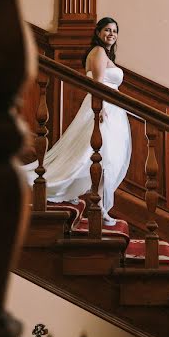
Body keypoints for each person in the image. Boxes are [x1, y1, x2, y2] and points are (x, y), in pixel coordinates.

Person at [21, 17, 132, 226]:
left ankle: (93, 203)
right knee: (102, 158)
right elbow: (98, 85)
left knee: (96, 157)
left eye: (115, 31)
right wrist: (99, 111)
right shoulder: (98, 52)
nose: (111, 34)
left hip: (110, 109)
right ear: (98, 32)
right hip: (103, 108)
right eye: (107, 30)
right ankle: (98, 208)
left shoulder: (102, 53)